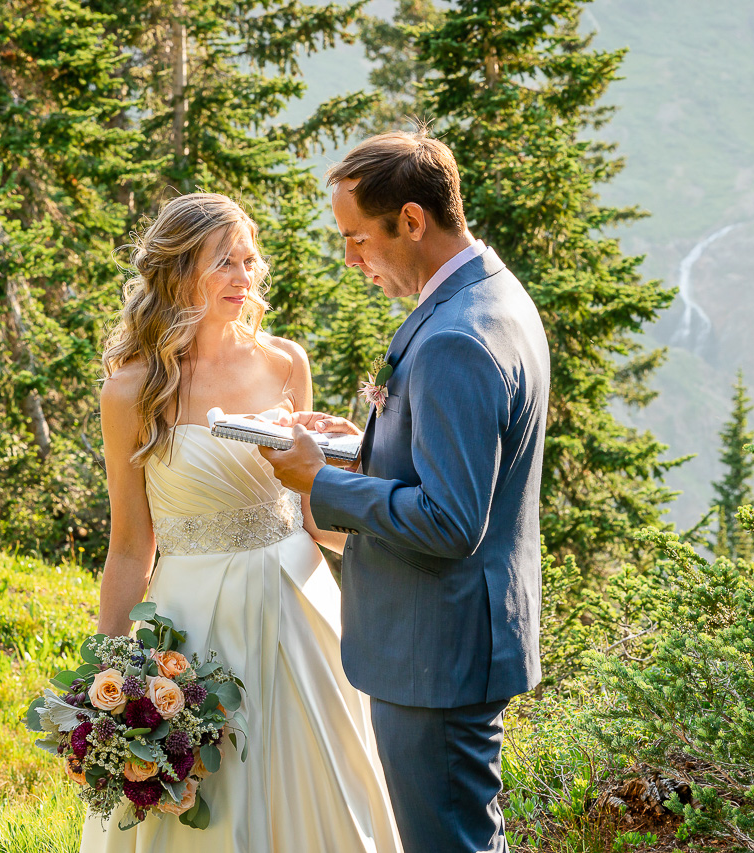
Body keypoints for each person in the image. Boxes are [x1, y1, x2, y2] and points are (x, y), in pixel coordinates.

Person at [82, 192, 401, 853]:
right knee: (209, 799)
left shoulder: (286, 362)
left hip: (302, 609)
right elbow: (129, 546)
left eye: (250, 260)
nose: (245, 277)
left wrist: (384, 511)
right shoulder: (131, 391)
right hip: (193, 626)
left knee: (325, 788)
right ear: (177, 270)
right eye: (224, 261)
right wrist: (104, 687)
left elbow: (315, 516)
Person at [261, 131, 550, 853]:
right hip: (454, 642)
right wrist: (359, 451)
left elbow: (451, 520)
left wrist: (318, 481)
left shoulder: (456, 335)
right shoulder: (493, 294)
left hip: (437, 652)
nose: (351, 259)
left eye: (358, 239)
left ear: (413, 220)